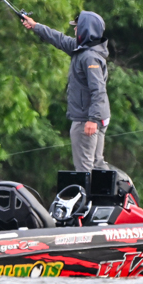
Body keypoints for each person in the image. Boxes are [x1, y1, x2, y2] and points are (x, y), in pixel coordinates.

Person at [21, 11, 111, 172]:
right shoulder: (83, 49)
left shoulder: (89, 57)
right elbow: (59, 39)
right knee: (97, 166)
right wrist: (35, 26)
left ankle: (86, 190)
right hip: (96, 116)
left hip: (87, 119)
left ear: (86, 29)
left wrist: (92, 119)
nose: (75, 29)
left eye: (77, 27)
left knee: (84, 168)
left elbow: (98, 90)